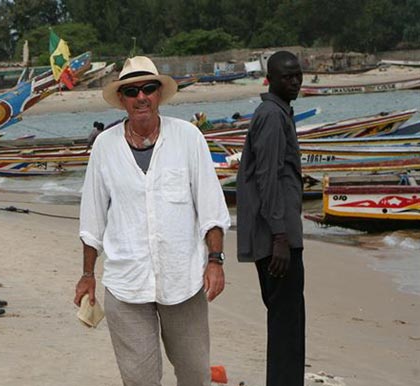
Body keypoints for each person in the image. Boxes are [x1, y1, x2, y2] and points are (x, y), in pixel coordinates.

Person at [74, 56, 231, 386]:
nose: (141, 96)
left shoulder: (188, 137)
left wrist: (215, 261)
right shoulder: (104, 146)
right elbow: (92, 218)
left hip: (184, 281)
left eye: (148, 88)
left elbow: (211, 208)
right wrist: (87, 275)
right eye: (132, 91)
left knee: (195, 375)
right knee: (140, 381)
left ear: (159, 94)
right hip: (126, 285)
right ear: (122, 99)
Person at [235, 50, 305, 386]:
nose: (294, 82)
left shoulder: (279, 113)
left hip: (279, 234)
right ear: (271, 79)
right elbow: (268, 176)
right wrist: (280, 236)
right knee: (286, 324)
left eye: (298, 75)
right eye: (287, 77)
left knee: (286, 322)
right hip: (277, 238)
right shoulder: (272, 116)